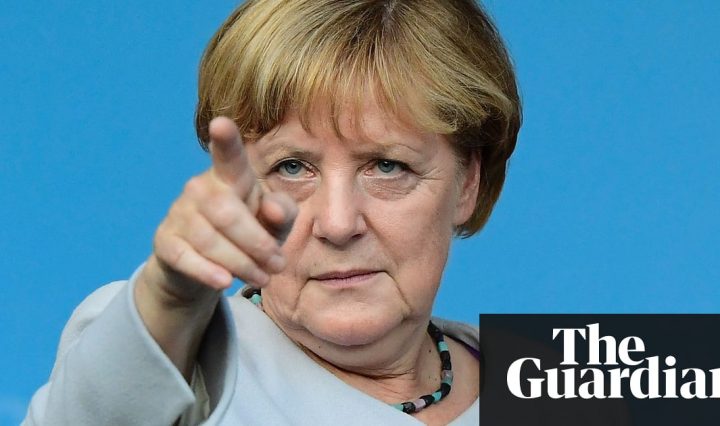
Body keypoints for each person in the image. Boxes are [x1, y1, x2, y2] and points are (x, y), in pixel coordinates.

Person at [24, 0, 520, 424]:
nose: (337, 223)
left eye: (387, 166)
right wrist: (167, 301)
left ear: (467, 182)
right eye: (292, 167)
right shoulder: (174, 358)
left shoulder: (552, 375)